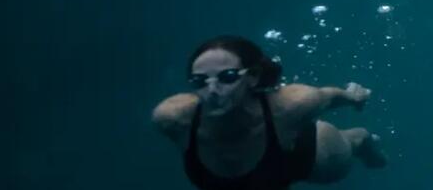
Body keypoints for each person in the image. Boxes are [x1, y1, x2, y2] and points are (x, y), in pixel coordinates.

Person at [152, 36, 386, 189]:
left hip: (302, 157)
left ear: (253, 77)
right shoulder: (174, 119)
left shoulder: (290, 105)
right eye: (200, 80)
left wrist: (353, 97)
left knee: (343, 154)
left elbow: (327, 96)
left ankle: (361, 140)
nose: (212, 90)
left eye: (228, 78)